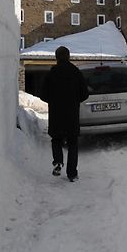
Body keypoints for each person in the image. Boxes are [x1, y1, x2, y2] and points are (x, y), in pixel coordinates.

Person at [40, 46, 89, 181]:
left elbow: (43, 94)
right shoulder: (76, 72)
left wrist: (53, 101)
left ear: (56, 57)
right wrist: (74, 100)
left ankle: (58, 161)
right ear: (68, 56)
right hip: (72, 114)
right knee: (73, 143)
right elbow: (85, 93)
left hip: (56, 114)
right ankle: (72, 174)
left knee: (56, 139)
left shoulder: (52, 73)